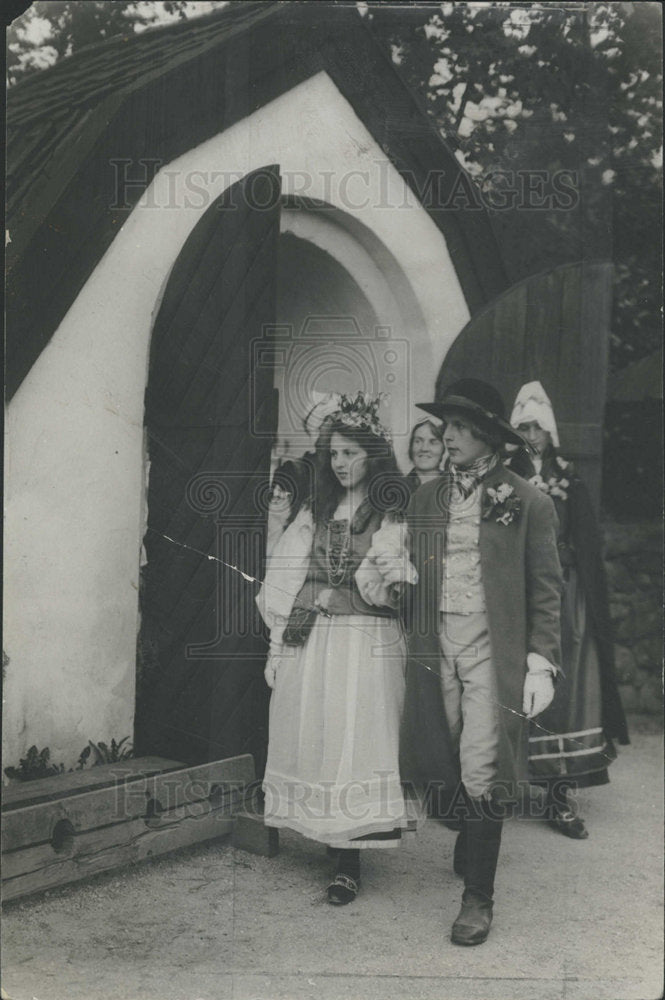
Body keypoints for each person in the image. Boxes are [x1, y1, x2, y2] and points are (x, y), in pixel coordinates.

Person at [373, 378, 563, 945]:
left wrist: (540, 661)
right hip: (436, 646)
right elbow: (403, 561)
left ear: (486, 436)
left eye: (457, 427)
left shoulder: (528, 501)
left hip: (492, 648)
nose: (445, 435)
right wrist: (399, 574)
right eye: (444, 426)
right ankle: (471, 830)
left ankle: (477, 900)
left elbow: (546, 589)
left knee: (484, 759)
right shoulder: (426, 498)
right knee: (444, 749)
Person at [257, 392, 416, 905]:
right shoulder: (317, 507)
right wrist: (280, 641)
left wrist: (387, 574)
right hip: (315, 635)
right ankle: (329, 835)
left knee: (358, 735)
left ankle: (350, 858)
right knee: (319, 729)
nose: (340, 463)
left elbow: (381, 587)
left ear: (373, 455)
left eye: (351, 453)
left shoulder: (389, 513)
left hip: (364, 640)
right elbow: (286, 574)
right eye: (334, 454)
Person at [507, 380, 629, 839]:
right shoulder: (505, 478)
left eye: (538, 426)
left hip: (564, 593)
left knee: (569, 681)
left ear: (551, 429)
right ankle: (503, 785)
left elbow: (584, 539)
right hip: (520, 591)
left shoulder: (567, 477)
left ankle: (559, 795)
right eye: (523, 427)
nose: (531, 435)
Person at [406, 418, 445, 493]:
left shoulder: (454, 488)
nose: (424, 448)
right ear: (411, 447)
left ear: (443, 449)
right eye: (418, 441)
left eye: (433, 442)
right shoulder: (399, 489)